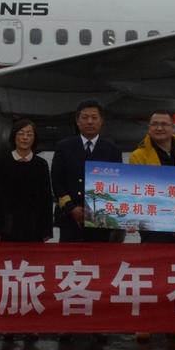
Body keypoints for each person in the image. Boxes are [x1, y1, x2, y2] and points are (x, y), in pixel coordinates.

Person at [49, 100, 121, 243]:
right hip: (70, 216)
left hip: (100, 219)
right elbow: (57, 180)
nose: (89, 122)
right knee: (69, 262)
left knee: (98, 262)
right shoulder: (64, 147)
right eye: (85, 117)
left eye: (94, 118)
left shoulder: (112, 150)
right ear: (77, 121)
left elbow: (117, 185)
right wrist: (71, 208)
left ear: (101, 121)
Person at [126, 110, 175, 245]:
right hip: (153, 223)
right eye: (154, 124)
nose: (159, 128)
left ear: (173, 128)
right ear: (149, 128)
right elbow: (134, 192)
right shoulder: (137, 156)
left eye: (164, 124)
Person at [0, 119, 53, 243]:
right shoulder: (3, 163)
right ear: (13, 136)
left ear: (34, 138)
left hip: (34, 226)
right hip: (8, 225)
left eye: (29, 134)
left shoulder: (41, 164)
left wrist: (47, 229)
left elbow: (46, 198)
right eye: (21, 133)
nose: (25, 138)